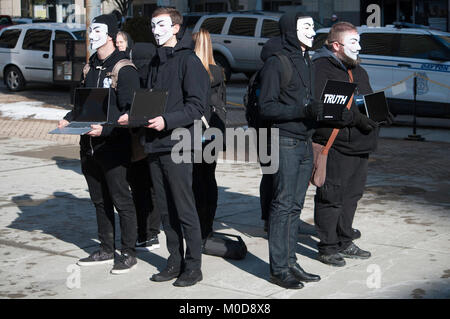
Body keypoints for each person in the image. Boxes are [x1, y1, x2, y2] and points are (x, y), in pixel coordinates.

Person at [58, 14, 140, 274]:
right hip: (89, 146)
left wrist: (106, 128)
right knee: (99, 200)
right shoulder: (90, 66)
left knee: (121, 200)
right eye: (89, 30)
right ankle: (106, 248)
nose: (91, 35)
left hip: (114, 146)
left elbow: (131, 112)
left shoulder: (124, 68)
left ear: (111, 35)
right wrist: (69, 118)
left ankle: (128, 252)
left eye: (97, 30)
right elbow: (85, 105)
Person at [144, 7, 209, 287]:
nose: (155, 30)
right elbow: (149, 99)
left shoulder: (189, 62)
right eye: (152, 25)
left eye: (161, 25)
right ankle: (175, 261)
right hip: (155, 145)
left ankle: (193, 266)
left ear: (175, 29)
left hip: (179, 145)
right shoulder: (155, 63)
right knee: (166, 211)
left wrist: (166, 120)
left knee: (184, 208)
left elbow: (197, 107)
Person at [258, 12, 322, 289]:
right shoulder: (277, 62)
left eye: (312, 26)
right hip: (283, 141)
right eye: (305, 26)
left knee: (295, 207)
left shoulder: (307, 59)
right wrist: (302, 110)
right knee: (283, 206)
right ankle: (278, 268)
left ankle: (291, 260)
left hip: (304, 142)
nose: (312, 30)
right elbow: (266, 107)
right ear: (290, 32)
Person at [312, 22, 379, 267]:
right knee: (332, 196)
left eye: (359, 42)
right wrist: (358, 119)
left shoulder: (357, 69)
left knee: (352, 196)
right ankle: (327, 246)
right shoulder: (322, 68)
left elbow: (367, 98)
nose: (359, 47)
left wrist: (379, 114)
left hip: (360, 145)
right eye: (354, 42)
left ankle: (344, 239)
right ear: (337, 45)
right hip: (337, 144)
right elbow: (329, 110)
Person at [116, 31, 161, 252]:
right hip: (148, 140)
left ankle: (146, 233)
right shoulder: (151, 74)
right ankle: (151, 232)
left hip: (136, 141)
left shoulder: (132, 74)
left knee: (140, 189)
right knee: (150, 189)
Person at [191, 28, 225, 241]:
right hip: (213, 130)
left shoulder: (194, 71)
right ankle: (208, 224)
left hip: (195, 131)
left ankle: (197, 224)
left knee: (195, 179)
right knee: (209, 178)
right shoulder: (218, 71)